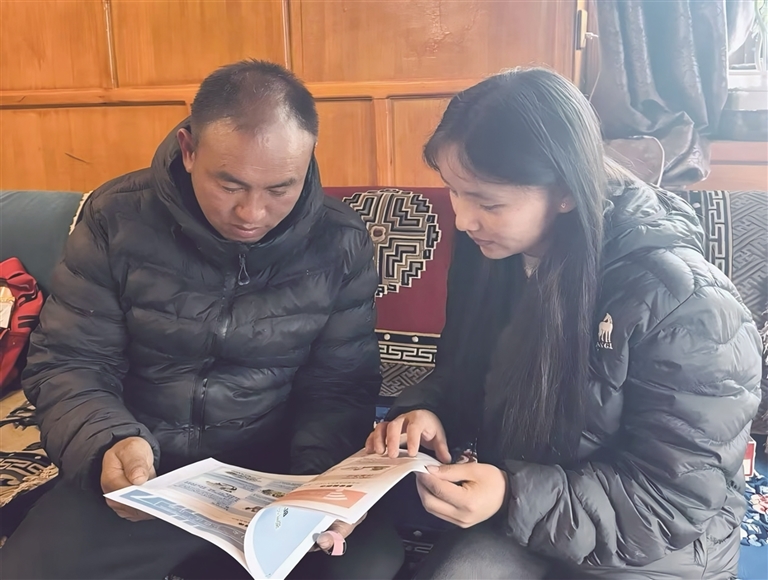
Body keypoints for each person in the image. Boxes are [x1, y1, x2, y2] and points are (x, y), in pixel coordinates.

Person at [1, 60, 403, 580]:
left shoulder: (340, 242)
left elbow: (340, 385)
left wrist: (316, 486)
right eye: (230, 185)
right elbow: (70, 362)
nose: (252, 213)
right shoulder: (115, 218)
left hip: (273, 474)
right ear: (189, 150)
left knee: (365, 564)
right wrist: (108, 441)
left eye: (280, 188)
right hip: (143, 471)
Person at [366, 67, 762, 579]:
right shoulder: (493, 254)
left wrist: (512, 495)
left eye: (489, 202)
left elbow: (673, 501)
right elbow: (466, 373)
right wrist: (428, 410)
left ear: (566, 192)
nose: (463, 220)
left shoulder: (684, 304)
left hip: (653, 546)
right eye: (455, 192)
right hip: (533, 515)